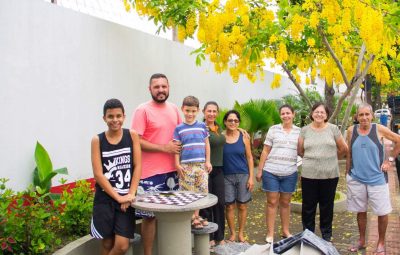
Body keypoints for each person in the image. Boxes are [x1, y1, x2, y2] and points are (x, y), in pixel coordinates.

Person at [131, 73, 182, 255]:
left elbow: (181, 135)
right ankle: (148, 253)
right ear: (150, 89)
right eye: (156, 87)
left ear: (169, 87)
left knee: (171, 216)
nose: (161, 90)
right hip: (149, 175)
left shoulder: (175, 109)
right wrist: (164, 148)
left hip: (173, 172)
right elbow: (136, 140)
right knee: (149, 218)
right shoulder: (142, 110)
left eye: (164, 86)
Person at [346, 103, 400, 254]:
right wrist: (347, 172)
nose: (364, 118)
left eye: (366, 114)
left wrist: (389, 161)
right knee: (360, 211)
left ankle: (381, 243)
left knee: (382, 212)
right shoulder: (351, 131)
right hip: (356, 178)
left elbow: (398, 140)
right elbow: (349, 152)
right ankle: (362, 241)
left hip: (377, 179)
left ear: (372, 116)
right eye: (361, 115)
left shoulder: (379, 129)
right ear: (356, 117)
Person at [90, 98, 142, 255]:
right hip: (105, 199)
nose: (115, 120)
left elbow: (137, 165)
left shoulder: (131, 135)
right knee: (107, 243)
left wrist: (130, 193)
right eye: (111, 116)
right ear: (104, 118)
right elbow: (98, 174)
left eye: (118, 116)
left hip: (126, 199)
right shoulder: (97, 140)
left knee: (121, 245)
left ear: (124, 116)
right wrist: (118, 197)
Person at [297, 102, 348, 242]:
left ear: (326, 115)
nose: (319, 114)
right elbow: (300, 151)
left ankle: (326, 235)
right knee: (308, 207)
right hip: (309, 175)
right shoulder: (305, 130)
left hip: (330, 175)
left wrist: (332, 158)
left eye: (322, 112)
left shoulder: (333, 129)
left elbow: (343, 148)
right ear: (312, 113)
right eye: (317, 112)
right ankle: (308, 235)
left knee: (327, 206)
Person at [256, 104, 300, 244]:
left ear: (293, 114)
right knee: (272, 202)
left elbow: (303, 151)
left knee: (286, 203)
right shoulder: (273, 130)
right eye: (283, 113)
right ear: (280, 115)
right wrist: (260, 169)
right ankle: (270, 233)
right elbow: (265, 150)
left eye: (288, 113)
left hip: (290, 172)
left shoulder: (300, 131)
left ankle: (285, 231)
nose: (285, 116)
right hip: (271, 171)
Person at [173, 96, 212, 229]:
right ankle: (191, 217)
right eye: (188, 110)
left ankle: (196, 215)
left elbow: (207, 144)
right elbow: (176, 148)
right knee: (188, 191)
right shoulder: (179, 129)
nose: (190, 114)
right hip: (186, 166)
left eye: (193, 111)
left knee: (201, 191)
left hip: (201, 165)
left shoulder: (202, 126)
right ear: (182, 109)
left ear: (198, 111)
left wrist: (208, 161)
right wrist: (177, 164)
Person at [223, 110, 254, 243]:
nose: (233, 123)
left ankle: (241, 233)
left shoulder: (244, 137)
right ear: (225, 122)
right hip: (226, 176)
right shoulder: (220, 136)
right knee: (229, 206)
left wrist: (251, 177)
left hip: (243, 175)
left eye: (236, 121)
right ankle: (232, 234)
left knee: (242, 205)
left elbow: (249, 157)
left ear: (239, 122)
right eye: (230, 120)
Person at [199, 101, 226, 246]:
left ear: (218, 113)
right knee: (207, 204)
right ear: (203, 112)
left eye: (214, 111)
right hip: (205, 170)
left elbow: (228, 133)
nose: (211, 114)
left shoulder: (218, 128)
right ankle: (208, 237)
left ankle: (220, 236)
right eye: (209, 111)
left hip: (219, 169)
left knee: (220, 203)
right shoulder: (200, 128)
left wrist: (240, 129)